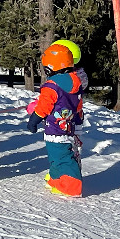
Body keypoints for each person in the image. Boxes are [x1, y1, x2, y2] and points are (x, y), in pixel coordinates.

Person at [26, 43, 84, 197]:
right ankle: (56, 179)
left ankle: (72, 185)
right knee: (55, 155)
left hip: (55, 129)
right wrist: (78, 123)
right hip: (68, 127)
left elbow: (43, 108)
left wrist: (33, 121)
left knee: (62, 157)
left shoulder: (52, 86)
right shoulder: (76, 82)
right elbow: (78, 106)